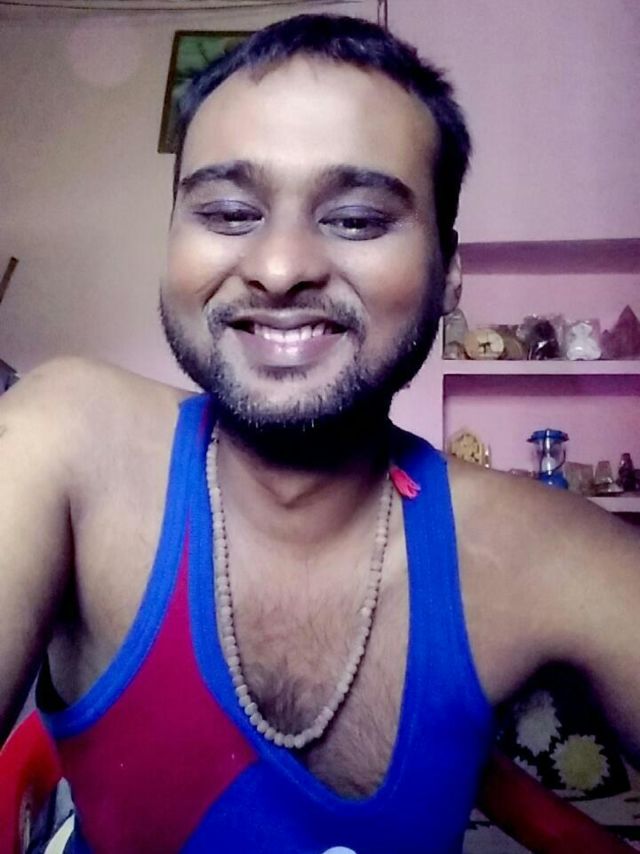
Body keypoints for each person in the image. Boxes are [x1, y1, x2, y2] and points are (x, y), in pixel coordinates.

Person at [1, 13, 638, 854]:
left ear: (450, 273)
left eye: (358, 219)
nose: (278, 268)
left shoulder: (545, 549)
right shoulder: (63, 440)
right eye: (229, 212)